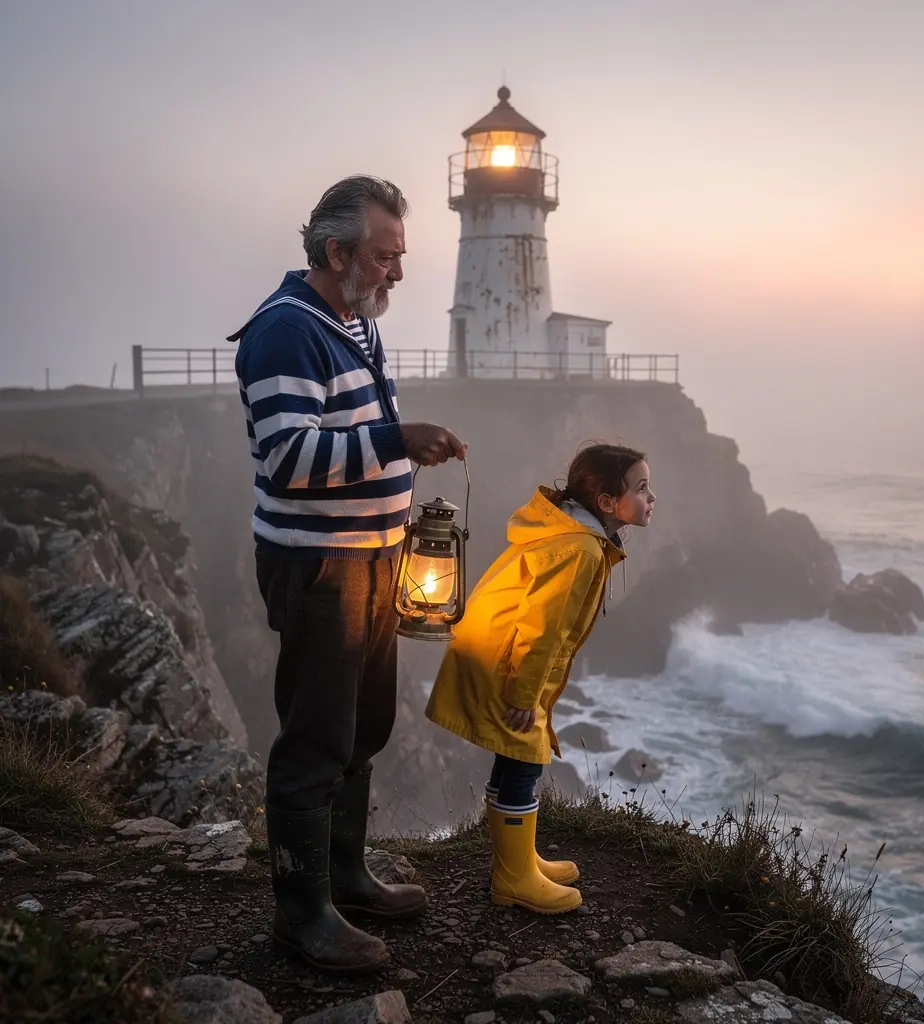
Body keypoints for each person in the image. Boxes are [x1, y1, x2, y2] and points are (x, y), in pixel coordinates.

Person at [229, 176, 467, 974]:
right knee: (316, 739)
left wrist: (398, 482)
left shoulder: (355, 321)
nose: (398, 271)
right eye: (384, 256)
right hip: (320, 566)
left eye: (401, 256)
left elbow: (352, 435)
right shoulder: (283, 333)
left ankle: (346, 879)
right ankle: (301, 916)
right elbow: (289, 459)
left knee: (364, 726)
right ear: (336, 252)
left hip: (372, 559)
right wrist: (402, 442)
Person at [425, 444, 655, 914]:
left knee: (514, 754)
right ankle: (513, 878)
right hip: (508, 662)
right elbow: (543, 628)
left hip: (496, 650)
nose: (653, 498)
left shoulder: (569, 530)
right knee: (527, 756)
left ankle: (520, 859)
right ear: (609, 503)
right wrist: (526, 694)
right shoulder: (581, 549)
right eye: (643, 488)